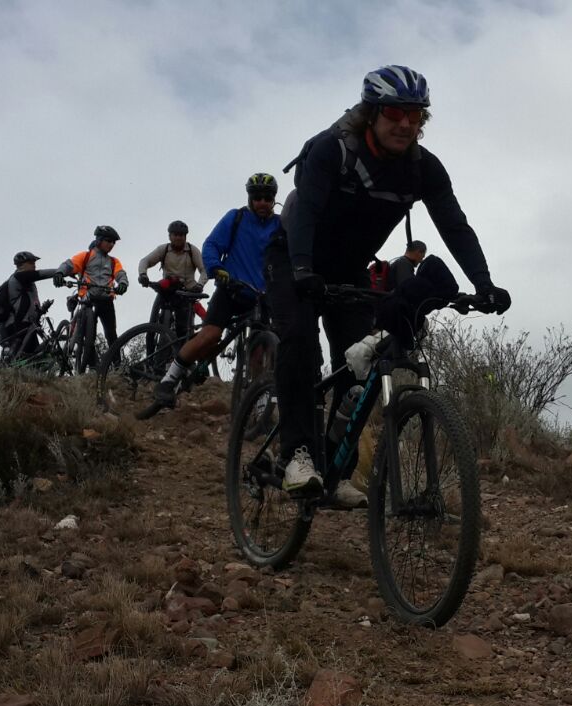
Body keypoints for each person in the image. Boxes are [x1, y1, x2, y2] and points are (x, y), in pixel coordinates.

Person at [273, 64, 512, 506]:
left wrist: (484, 283)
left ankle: (336, 469)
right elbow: (305, 212)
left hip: (349, 270)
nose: (405, 124)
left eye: (415, 115)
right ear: (372, 114)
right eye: (395, 113)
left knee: (360, 366)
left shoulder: (423, 169)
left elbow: (454, 226)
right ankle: (297, 454)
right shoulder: (332, 150)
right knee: (300, 341)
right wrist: (303, 269)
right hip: (293, 256)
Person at [147, 173, 281, 411]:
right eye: (257, 197)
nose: (262, 202)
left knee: (260, 350)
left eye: (267, 198)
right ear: (250, 198)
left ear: (274, 199)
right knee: (210, 335)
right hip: (231, 288)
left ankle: (259, 404)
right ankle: (169, 380)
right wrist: (216, 268)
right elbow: (212, 245)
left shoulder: (280, 225)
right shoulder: (236, 217)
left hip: (261, 297)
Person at [53, 225, 129, 352]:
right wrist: (59, 273)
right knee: (89, 336)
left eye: (113, 242)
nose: (111, 244)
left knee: (111, 335)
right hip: (88, 299)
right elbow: (69, 265)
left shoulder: (113, 261)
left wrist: (123, 284)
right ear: (99, 240)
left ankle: (116, 363)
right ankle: (89, 361)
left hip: (106, 300)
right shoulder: (85, 256)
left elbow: (120, 273)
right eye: (108, 241)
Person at [137, 220, 208, 341]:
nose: (178, 238)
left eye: (181, 235)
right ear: (169, 236)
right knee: (152, 325)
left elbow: (204, 269)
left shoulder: (192, 251)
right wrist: (143, 274)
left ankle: (183, 349)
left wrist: (200, 285)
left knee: (184, 331)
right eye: (175, 234)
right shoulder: (163, 249)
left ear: (185, 236)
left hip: (187, 293)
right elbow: (145, 261)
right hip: (167, 291)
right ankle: (151, 347)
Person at [0, 251, 59, 361]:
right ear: (21, 265)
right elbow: (40, 274)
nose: (34, 265)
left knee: (34, 359)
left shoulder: (28, 282)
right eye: (31, 262)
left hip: (28, 324)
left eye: (34, 262)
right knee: (23, 359)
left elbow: (29, 302)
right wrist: (62, 271)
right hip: (18, 324)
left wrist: (40, 310)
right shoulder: (18, 277)